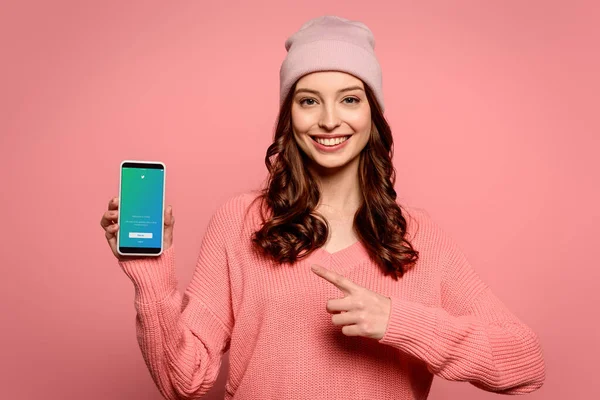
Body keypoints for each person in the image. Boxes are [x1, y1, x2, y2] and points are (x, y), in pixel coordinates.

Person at [100, 15, 545, 400]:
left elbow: (525, 363)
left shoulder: (417, 235)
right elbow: (185, 381)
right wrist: (150, 275)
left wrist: (400, 321)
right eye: (308, 100)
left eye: (350, 98)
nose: (329, 119)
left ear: (373, 114)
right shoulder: (240, 222)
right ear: (288, 115)